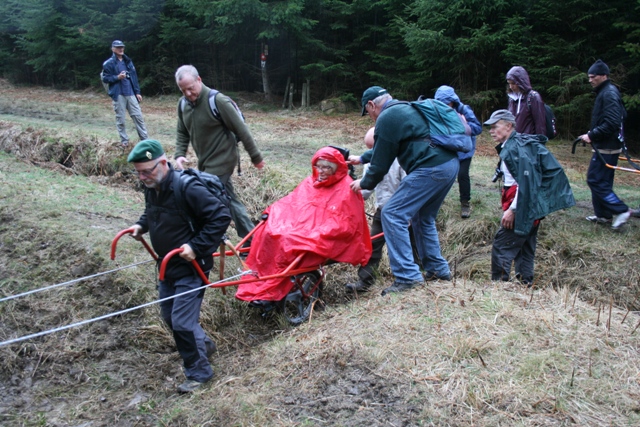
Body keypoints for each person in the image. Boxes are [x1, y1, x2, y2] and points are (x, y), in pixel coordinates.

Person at [127, 139, 231, 393]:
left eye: (146, 171)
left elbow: (220, 217)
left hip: (192, 267)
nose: (142, 177)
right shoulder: (153, 186)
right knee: (169, 318)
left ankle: (199, 373)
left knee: (183, 322)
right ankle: (203, 346)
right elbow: (151, 211)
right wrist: (141, 226)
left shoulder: (188, 188)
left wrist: (196, 246)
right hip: (166, 265)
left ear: (163, 163)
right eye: (138, 172)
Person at [351, 86, 459, 296]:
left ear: (372, 105)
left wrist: (363, 184)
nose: (370, 117)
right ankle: (437, 270)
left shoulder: (388, 117)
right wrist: (362, 158)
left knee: (392, 214)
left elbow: (381, 165)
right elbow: (387, 146)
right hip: (449, 165)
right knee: (423, 218)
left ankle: (407, 276)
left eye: (368, 111)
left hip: (430, 168)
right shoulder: (405, 109)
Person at [235, 146, 372, 303]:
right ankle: (260, 278)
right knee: (267, 232)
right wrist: (271, 212)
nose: (321, 171)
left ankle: (274, 285)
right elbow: (291, 202)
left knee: (289, 240)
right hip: (301, 225)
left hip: (321, 233)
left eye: (326, 167)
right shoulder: (310, 182)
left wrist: (317, 231)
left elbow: (347, 222)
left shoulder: (346, 187)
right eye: (318, 166)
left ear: (335, 168)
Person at [174, 65, 265, 243]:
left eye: (191, 88)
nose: (188, 93)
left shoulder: (218, 101)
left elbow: (242, 130)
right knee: (230, 199)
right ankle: (251, 240)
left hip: (223, 159)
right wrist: (179, 154)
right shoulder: (183, 104)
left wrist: (256, 157)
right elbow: (182, 131)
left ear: (199, 80)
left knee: (201, 197)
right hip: (205, 162)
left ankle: (200, 241)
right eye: (183, 90)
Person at [485, 110, 574, 286]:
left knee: (502, 245)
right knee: (525, 247)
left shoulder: (516, 149)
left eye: (495, 126)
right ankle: (525, 285)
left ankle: (498, 287)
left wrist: (513, 210)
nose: (491, 131)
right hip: (531, 204)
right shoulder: (516, 145)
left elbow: (527, 183)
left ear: (509, 126)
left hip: (522, 204)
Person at [345, 127, 406, 293]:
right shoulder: (370, 161)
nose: (372, 151)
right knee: (372, 244)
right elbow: (365, 189)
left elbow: (409, 187)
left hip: (403, 210)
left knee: (409, 243)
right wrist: (348, 189)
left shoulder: (401, 160)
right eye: (369, 148)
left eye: (375, 147)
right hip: (382, 210)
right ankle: (365, 281)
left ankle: (414, 276)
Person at [578, 59, 631, 230]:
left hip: (607, 146)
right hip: (606, 145)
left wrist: (592, 135)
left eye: (593, 77)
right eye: (589, 77)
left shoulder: (609, 93)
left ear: (603, 76)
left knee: (595, 180)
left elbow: (613, 122)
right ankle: (603, 215)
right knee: (602, 182)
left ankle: (622, 210)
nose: (590, 80)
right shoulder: (605, 92)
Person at [434, 85, 483, 218]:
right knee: (440, 173)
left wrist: (462, 123)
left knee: (462, 175)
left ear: (453, 101)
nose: (444, 106)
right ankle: (436, 202)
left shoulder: (464, 109)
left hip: (464, 149)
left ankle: (465, 203)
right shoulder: (437, 110)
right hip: (447, 147)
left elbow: (477, 128)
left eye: (446, 103)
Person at [101, 40, 148, 147]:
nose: (121, 49)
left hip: (131, 93)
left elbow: (134, 78)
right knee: (120, 119)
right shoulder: (108, 63)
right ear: (113, 49)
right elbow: (105, 78)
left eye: (122, 47)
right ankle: (124, 141)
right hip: (118, 94)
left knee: (138, 117)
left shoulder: (128, 61)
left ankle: (145, 140)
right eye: (118, 47)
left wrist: (137, 92)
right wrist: (117, 77)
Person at [506, 66, 546, 135]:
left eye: (513, 83)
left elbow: (540, 123)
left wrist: (539, 142)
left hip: (528, 141)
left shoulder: (533, 97)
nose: (511, 86)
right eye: (509, 83)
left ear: (521, 81)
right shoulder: (512, 98)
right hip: (514, 141)